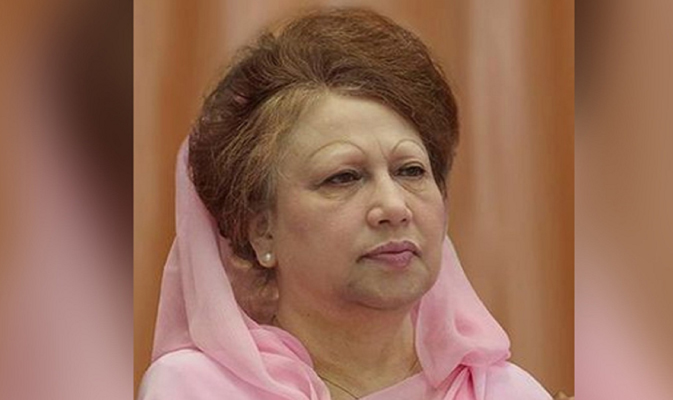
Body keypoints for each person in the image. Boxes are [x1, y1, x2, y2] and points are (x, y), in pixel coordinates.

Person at [138, 8, 551, 400]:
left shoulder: (507, 391)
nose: (394, 206)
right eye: (343, 177)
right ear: (261, 231)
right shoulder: (195, 388)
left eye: (410, 171)